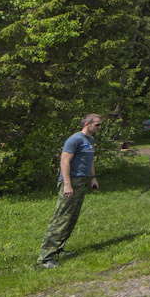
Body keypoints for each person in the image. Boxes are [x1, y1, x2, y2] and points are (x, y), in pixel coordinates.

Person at [37, 114, 101, 268]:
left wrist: (93, 177)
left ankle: (58, 249)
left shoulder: (90, 141)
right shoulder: (74, 140)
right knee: (61, 218)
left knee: (72, 218)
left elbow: (90, 160)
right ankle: (45, 257)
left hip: (82, 182)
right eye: (97, 125)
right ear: (87, 124)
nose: (100, 128)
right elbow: (64, 161)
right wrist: (67, 184)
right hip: (71, 181)